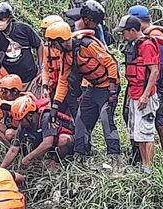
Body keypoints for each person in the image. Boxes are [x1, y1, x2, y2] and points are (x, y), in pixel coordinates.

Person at [45, 21, 122, 164]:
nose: (53, 47)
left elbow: (111, 63)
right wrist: (55, 107)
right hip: (92, 87)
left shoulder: (87, 45)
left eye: (53, 43)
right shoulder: (66, 55)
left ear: (61, 40)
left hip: (107, 86)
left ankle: (115, 156)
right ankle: (80, 154)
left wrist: (112, 90)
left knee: (106, 120)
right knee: (81, 120)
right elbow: (63, 81)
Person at [128, 5, 163, 156]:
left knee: (160, 121)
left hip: (159, 86)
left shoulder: (155, 34)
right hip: (155, 85)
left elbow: (158, 66)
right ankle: (140, 154)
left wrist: (148, 91)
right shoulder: (154, 31)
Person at [114, 15, 160, 174]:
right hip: (134, 93)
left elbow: (154, 71)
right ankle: (143, 165)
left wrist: (145, 95)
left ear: (132, 30)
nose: (122, 35)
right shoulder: (134, 44)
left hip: (144, 96)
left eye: (124, 32)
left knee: (146, 133)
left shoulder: (147, 45)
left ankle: (148, 167)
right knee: (137, 132)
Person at [0, 2, 44, 98]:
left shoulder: (24, 29)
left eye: (1, 19)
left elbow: (40, 45)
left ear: (10, 19)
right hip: (12, 88)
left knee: (38, 107)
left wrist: (42, 69)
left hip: (32, 79)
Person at [0, 96, 74, 168]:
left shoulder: (46, 117)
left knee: (63, 140)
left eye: (21, 121)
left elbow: (48, 143)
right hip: (50, 145)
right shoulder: (23, 124)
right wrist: (1, 168)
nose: (19, 124)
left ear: (29, 116)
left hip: (68, 141)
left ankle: (57, 161)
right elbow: (13, 149)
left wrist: (28, 157)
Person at [39, 15, 64, 100]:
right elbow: (46, 69)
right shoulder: (47, 48)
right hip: (54, 86)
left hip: (68, 87)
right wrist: (45, 86)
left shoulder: (66, 47)